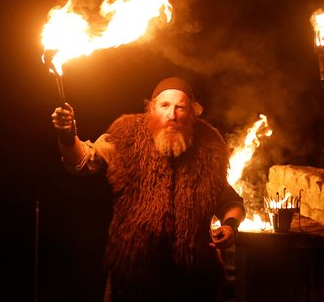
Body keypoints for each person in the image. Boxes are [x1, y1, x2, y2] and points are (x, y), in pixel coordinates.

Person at [51, 76, 245, 302]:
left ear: (191, 113)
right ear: (152, 109)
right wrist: (66, 134)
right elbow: (82, 161)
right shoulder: (127, 137)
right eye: (164, 106)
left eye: (180, 107)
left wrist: (230, 227)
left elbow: (231, 203)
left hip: (191, 282)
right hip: (134, 278)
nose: (172, 115)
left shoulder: (208, 149)